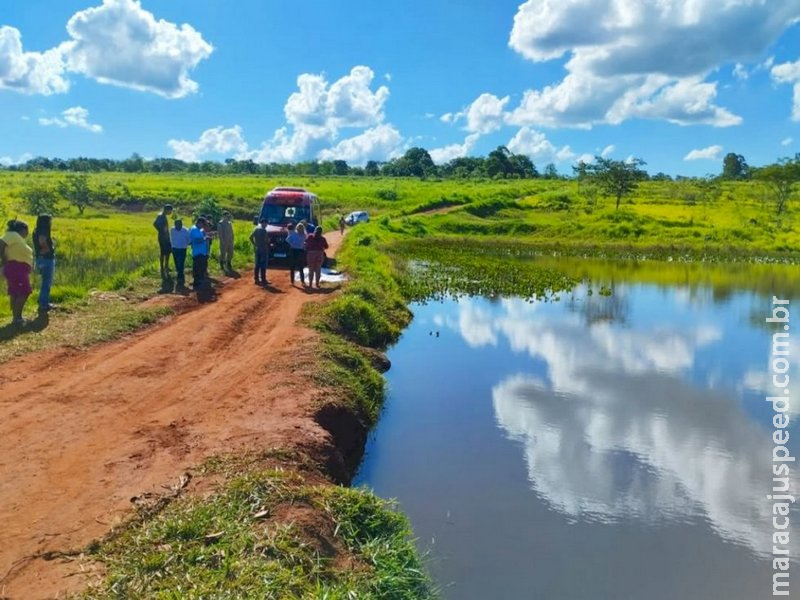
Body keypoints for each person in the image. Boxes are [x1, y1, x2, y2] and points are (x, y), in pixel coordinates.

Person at [0, 219, 34, 326]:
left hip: (18, 268)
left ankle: (16, 318)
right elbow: (1, 243)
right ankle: (17, 318)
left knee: (15, 292)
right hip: (16, 267)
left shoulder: (16, 238)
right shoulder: (12, 235)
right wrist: (3, 259)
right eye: (27, 230)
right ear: (21, 229)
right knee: (25, 291)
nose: (28, 233)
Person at [32, 214, 55, 312]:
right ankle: (44, 304)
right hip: (46, 259)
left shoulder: (36, 230)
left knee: (44, 282)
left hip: (39, 259)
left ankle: (43, 302)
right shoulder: (43, 230)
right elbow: (42, 240)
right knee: (47, 282)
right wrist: (47, 249)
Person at [189, 217, 210, 288]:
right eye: (203, 224)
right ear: (200, 223)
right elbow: (196, 240)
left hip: (201, 252)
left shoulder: (198, 229)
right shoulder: (194, 229)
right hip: (198, 253)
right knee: (197, 268)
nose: (203, 226)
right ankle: (197, 283)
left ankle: (199, 282)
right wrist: (205, 238)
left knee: (201, 268)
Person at [153, 204, 173, 277]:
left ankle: (166, 266)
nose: (171, 212)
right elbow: (154, 224)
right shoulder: (161, 215)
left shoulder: (163, 215)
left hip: (165, 236)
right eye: (170, 211)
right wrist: (161, 230)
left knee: (168, 251)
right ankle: (162, 267)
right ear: (167, 210)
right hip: (162, 237)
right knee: (163, 252)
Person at [170, 219, 191, 287]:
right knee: (176, 263)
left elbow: (189, 240)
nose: (178, 226)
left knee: (181, 263)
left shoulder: (185, 230)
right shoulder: (172, 230)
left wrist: (185, 244)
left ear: (181, 225)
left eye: (180, 225)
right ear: (175, 225)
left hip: (182, 249)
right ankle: (180, 275)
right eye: (177, 225)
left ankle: (180, 277)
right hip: (175, 249)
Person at [249, 217, 269, 285]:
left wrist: (254, 244)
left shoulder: (256, 229)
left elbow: (250, 237)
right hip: (263, 249)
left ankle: (256, 279)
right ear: (263, 223)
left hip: (257, 248)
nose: (266, 225)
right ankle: (263, 279)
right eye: (266, 223)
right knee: (263, 264)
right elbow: (266, 240)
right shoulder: (264, 231)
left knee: (257, 264)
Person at [285, 222, 306, 286]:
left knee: (292, 267)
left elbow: (287, 240)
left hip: (293, 250)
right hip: (301, 251)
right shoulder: (304, 235)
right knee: (301, 267)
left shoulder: (293, 233)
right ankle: (302, 281)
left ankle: (292, 282)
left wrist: (292, 244)